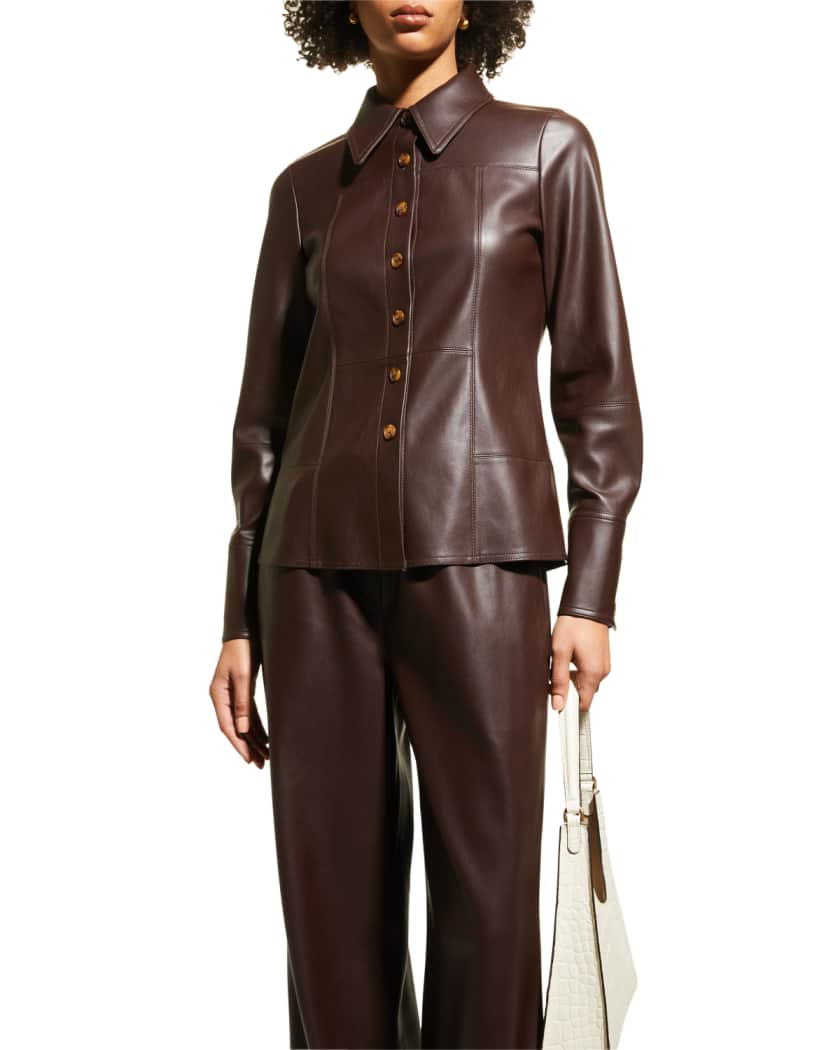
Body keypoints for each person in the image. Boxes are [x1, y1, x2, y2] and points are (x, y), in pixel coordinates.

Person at [208, 2, 643, 1047]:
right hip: (309, 582)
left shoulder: (549, 152)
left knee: (489, 908)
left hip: (486, 567)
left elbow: (599, 396)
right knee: (330, 921)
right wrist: (239, 618)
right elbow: (263, 424)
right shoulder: (304, 190)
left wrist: (590, 595)